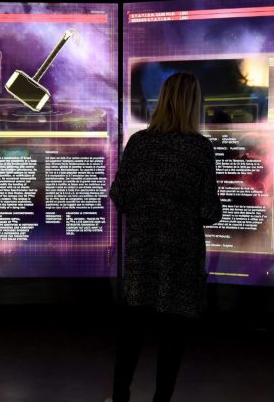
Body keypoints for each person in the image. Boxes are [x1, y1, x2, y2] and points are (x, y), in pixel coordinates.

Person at [108, 72, 222, 402]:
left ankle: (120, 398)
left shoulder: (139, 143)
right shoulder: (200, 149)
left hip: (143, 254)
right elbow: (210, 211)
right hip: (181, 259)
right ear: (193, 105)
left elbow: (120, 195)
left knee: (130, 336)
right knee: (172, 339)